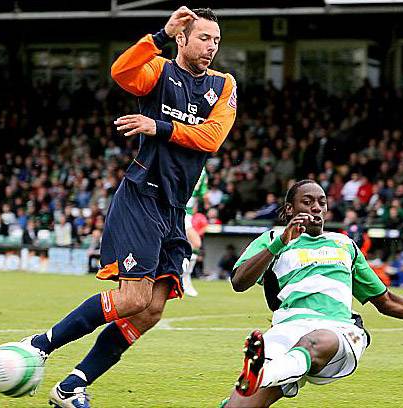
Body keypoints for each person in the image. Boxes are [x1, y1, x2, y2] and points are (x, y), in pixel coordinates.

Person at [13, 7, 236, 407]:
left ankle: (70, 387)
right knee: (133, 299)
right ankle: (40, 345)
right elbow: (121, 72)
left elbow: (212, 138)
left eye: (216, 41)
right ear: (183, 38)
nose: (211, 47)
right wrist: (159, 35)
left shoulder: (223, 86)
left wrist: (160, 127)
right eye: (203, 38)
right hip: (142, 193)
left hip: (174, 208)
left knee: (150, 310)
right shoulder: (160, 72)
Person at [219, 180, 403, 408]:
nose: (316, 208)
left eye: (321, 202)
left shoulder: (344, 244)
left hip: (338, 331)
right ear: (289, 210)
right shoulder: (274, 238)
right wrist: (281, 242)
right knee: (238, 405)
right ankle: (262, 376)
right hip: (286, 330)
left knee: (316, 341)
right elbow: (239, 281)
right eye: (307, 201)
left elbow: (387, 302)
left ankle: (261, 374)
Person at [183, 167, 209, 297]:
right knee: (195, 242)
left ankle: (183, 279)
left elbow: (200, 196)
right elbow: (204, 196)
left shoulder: (199, 168)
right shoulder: (201, 170)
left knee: (192, 244)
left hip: (185, 212)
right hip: (179, 210)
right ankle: (184, 279)